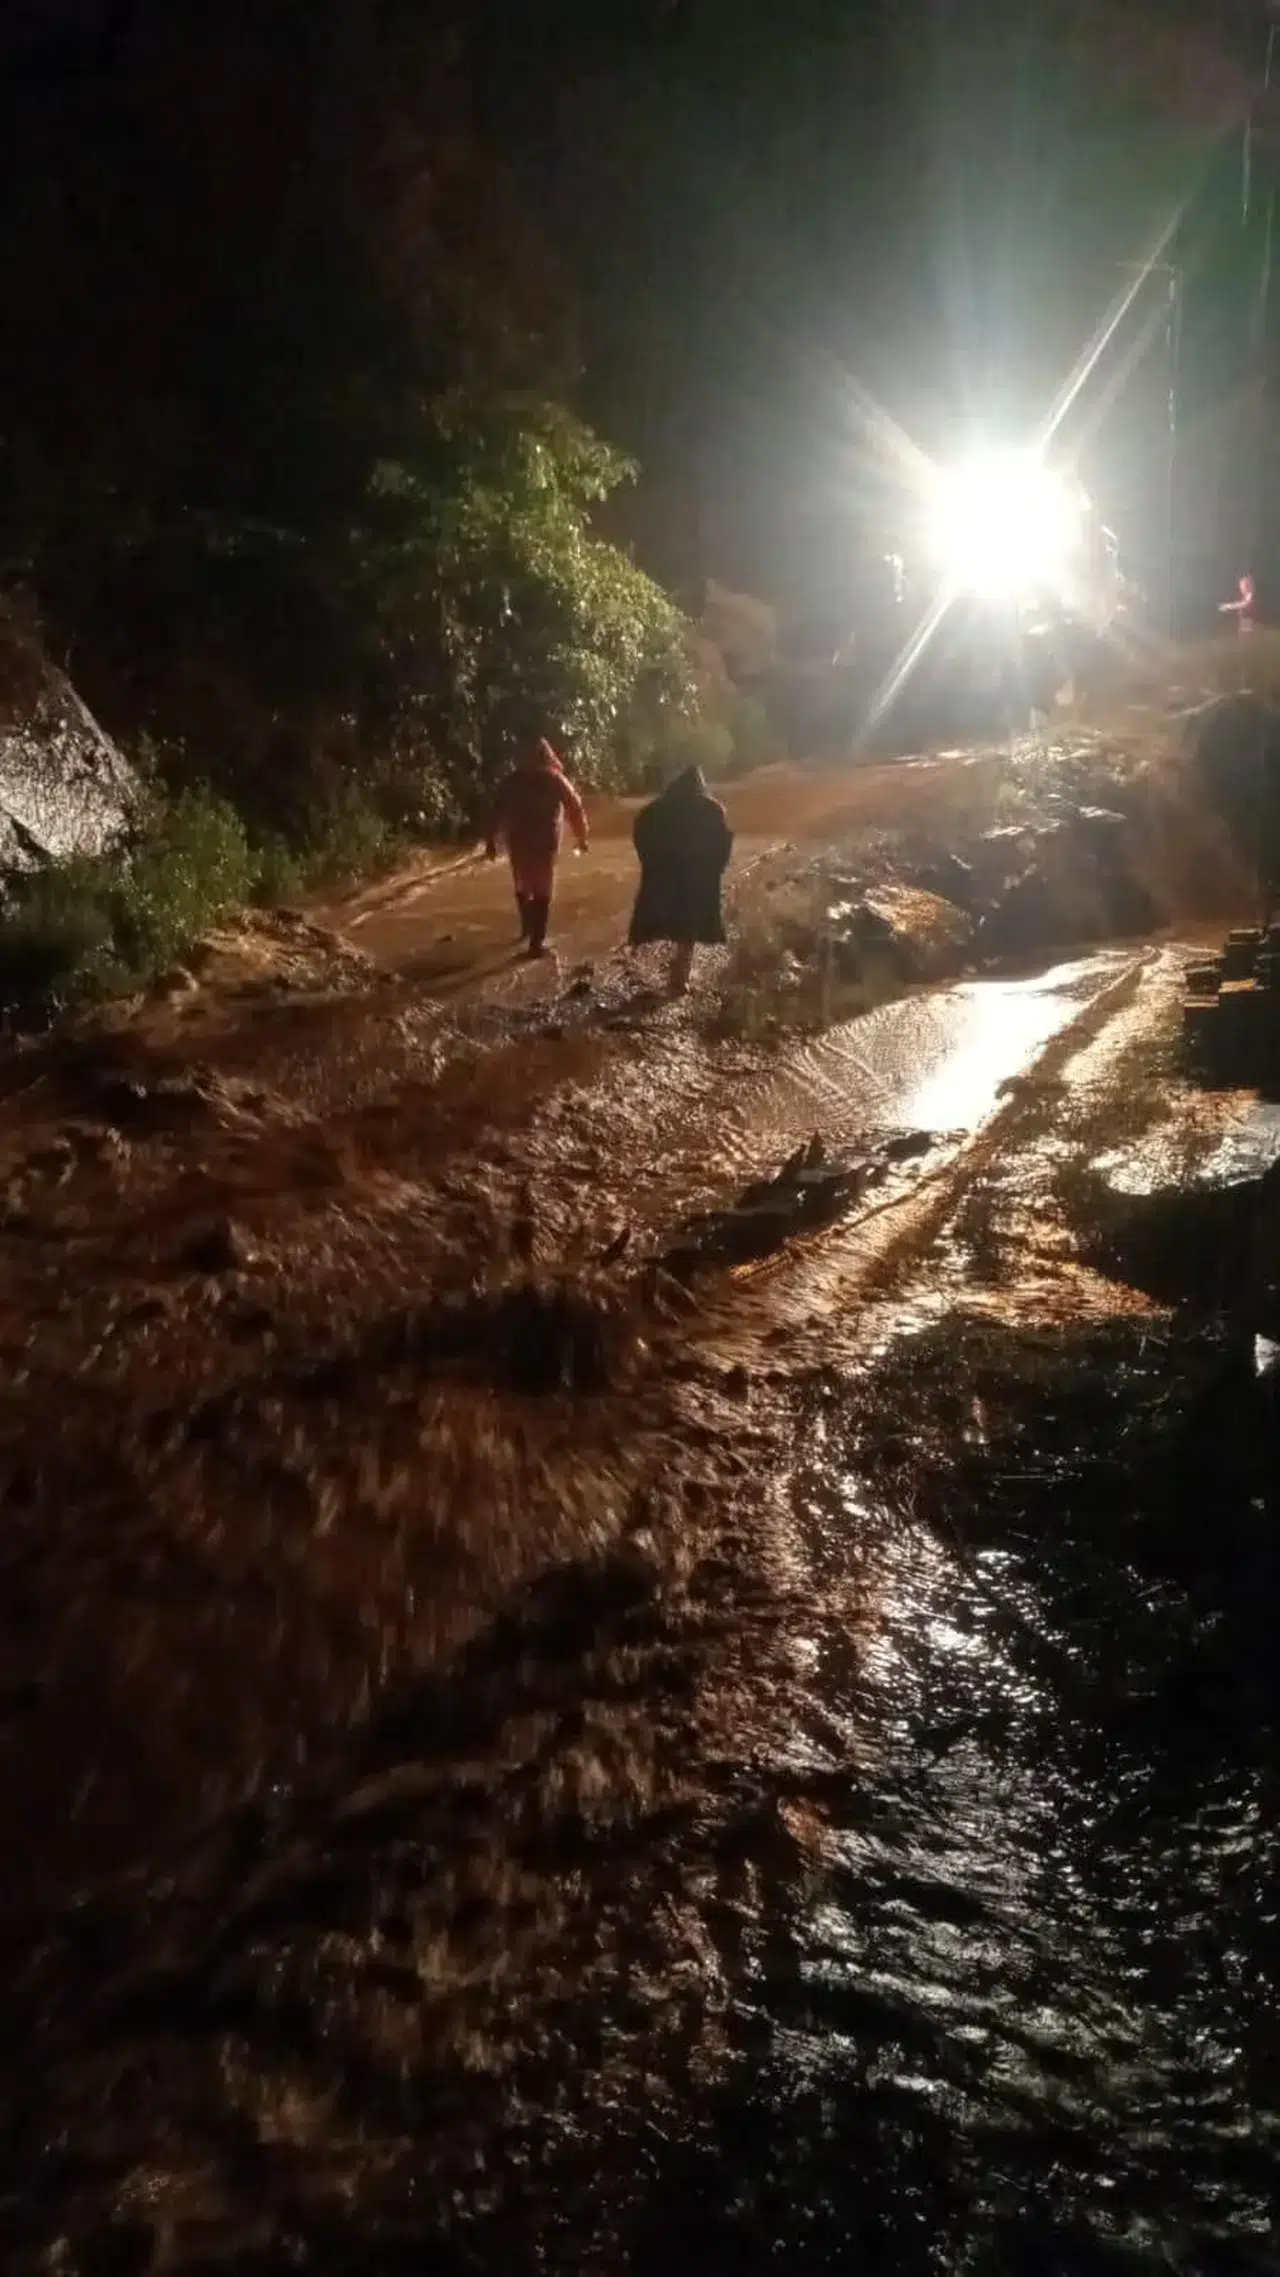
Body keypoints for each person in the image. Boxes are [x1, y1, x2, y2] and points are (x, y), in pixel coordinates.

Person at [628, 763, 733, 995]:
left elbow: (640, 831)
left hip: (666, 875)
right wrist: (717, 868)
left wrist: (649, 861)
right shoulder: (713, 809)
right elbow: (723, 843)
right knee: (690, 927)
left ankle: (668, 965)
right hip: (697, 878)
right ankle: (680, 975)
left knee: (668, 916)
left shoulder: (655, 809)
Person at [486, 738, 588, 958]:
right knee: (543, 888)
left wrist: (490, 841)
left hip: (519, 842)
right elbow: (575, 806)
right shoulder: (554, 780)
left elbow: (495, 811)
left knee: (522, 883)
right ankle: (536, 943)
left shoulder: (512, 781)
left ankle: (526, 929)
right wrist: (582, 837)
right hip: (544, 843)